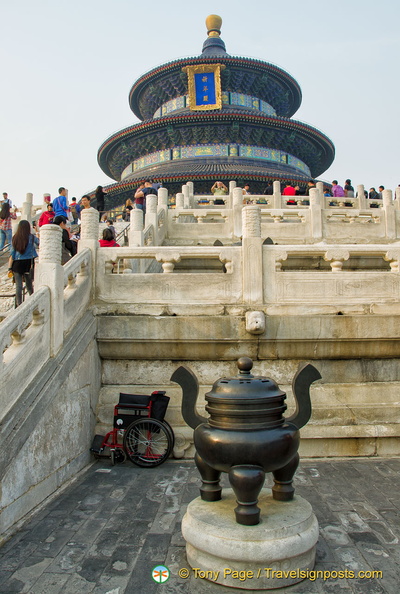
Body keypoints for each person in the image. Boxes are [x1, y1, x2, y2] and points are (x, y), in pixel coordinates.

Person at [8, 220, 39, 307]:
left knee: (19, 286)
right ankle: (33, 301)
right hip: (28, 263)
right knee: (29, 284)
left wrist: (9, 269)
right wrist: (37, 231)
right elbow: (40, 243)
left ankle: (19, 304)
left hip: (17, 264)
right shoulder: (31, 237)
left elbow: (12, 255)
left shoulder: (15, 238)